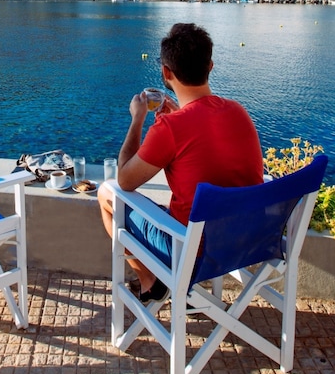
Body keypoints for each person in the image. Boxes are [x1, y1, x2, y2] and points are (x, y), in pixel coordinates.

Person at [98, 22, 264, 307]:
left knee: (106, 193)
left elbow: (125, 180)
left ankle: (152, 282)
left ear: (166, 73)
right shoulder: (238, 111)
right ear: (210, 66)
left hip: (192, 253)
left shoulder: (170, 128)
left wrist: (137, 119)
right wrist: (180, 114)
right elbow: (210, 152)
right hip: (244, 244)